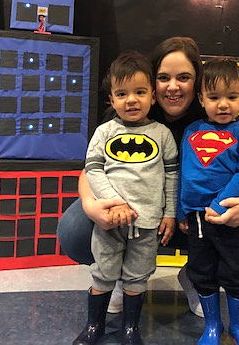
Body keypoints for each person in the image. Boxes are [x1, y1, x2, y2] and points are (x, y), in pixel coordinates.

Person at [57, 37, 239, 317]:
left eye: (184, 77)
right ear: (151, 81)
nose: (173, 86)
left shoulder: (216, 117)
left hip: (191, 215)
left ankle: (197, 275)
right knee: (74, 230)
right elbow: (91, 168)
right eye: (163, 77)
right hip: (130, 211)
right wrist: (90, 204)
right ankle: (118, 272)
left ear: (198, 83)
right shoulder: (128, 111)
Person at [74, 51, 178, 345]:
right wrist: (113, 202)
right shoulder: (104, 132)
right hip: (110, 220)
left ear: (153, 96)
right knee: (103, 272)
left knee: (138, 276)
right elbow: (93, 169)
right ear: (111, 99)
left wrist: (169, 212)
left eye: (140, 92)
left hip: (146, 222)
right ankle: (95, 325)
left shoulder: (162, 134)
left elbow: (172, 177)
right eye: (122, 94)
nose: (131, 100)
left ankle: (130, 327)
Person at [178, 58, 239, 345]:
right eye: (214, 97)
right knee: (202, 271)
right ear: (201, 99)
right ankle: (212, 325)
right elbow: (185, 173)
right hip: (197, 218)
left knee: (236, 272)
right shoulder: (191, 131)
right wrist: (181, 211)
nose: (223, 104)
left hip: (230, 216)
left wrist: (220, 202)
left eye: (232, 97)